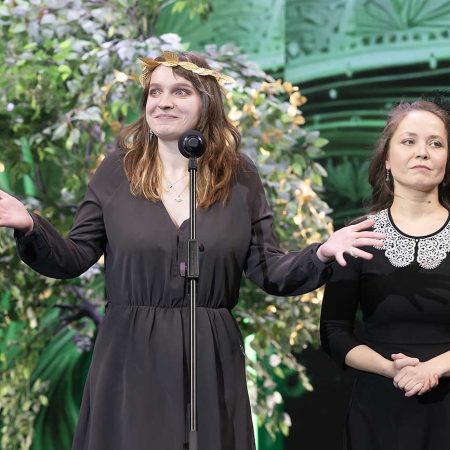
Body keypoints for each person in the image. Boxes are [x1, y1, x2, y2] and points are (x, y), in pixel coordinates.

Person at [0, 51, 383, 450]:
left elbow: (268, 269)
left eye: (180, 91)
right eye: (155, 92)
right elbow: (73, 256)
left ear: (206, 102)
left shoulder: (239, 176)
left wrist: (320, 253)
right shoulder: (117, 170)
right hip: (130, 356)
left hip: (209, 356)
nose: (163, 102)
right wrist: (30, 225)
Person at [320, 99, 450, 450]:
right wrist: (391, 369)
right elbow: (334, 332)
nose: (422, 152)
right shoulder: (356, 236)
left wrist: (432, 369)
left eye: (436, 143)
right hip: (378, 412)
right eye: (409, 141)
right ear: (387, 160)